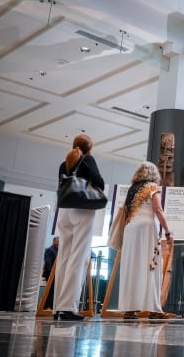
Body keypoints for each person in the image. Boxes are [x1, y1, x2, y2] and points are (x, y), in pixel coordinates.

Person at [53, 134, 105, 321]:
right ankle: (68, 307)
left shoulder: (64, 163)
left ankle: (58, 307)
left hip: (64, 211)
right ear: (90, 148)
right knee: (78, 257)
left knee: (64, 256)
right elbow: (99, 182)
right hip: (82, 210)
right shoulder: (88, 159)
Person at [117, 161, 175, 320]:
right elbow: (158, 209)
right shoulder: (152, 187)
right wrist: (168, 232)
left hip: (130, 229)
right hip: (147, 227)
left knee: (132, 266)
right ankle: (154, 309)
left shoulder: (131, 190)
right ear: (154, 174)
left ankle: (130, 309)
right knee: (151, 265)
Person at [41, 237, 59, 309]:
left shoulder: (57, 250)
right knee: (50, 289)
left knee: (52, 290)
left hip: (54, 273)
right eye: (58, 241)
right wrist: (51, 272)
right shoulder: (50, 250)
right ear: (54, 241)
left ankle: (48, 306)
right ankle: (45, 306)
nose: (59, 243)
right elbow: (48, 262)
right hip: (50, 273)